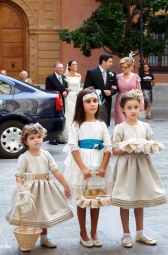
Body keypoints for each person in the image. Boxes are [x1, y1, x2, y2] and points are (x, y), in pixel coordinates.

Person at [111, 89, 167, 248]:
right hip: (126, 166)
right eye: (129, 107)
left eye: (136, 107)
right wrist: (128, 147)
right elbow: (115, 150)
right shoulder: (120, 128)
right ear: (122, 109)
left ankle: (140, 232)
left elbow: (151, 144)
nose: (133, 110)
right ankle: (126, 234)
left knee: (139, 199)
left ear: (140, 107)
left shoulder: (145, 127)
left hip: (142, 165)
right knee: (125, 199)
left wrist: (147, 147)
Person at [6, 123, 73, 251]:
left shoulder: (46, 154)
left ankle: (44, 238)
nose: (36, 140)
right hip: (30, 190)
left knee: (43, 212)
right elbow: (19, 175)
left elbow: (55, 170)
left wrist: (65, 184)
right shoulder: (24, 157)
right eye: (32, 138)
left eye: (38, 136)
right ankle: (26, 239)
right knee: (28, 213)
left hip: (45, 189)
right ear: (25, 141)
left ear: (43, 137)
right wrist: (22, 191)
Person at [64, 87, 113, 248]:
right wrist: (83, 168)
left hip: (98, 165)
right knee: (82, 199)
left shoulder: (101, 124)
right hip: (82, 165)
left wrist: (104, 167)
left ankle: (94, 231)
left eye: (94, 101)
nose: (92, 104)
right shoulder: (77, 125)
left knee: (96, 198)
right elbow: (73, 147)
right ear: (81, 104)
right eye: (88, 101)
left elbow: (108, 147)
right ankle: (83, 232)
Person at [84, 53, 117, 127]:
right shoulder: (92, 72)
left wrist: (111, 92)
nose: (111, 64)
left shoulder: (112, 73)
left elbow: (115, 87)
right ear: (104, 62)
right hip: (95, 102)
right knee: (95, 122)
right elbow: (86, 88)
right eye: (110, 61)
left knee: (105, 123)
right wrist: (95, 93)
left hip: (107, 101)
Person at [114, 57, 144, 125]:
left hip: (132, 102)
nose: (123, 69)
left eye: (125, 67)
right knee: (122, 122)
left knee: (131, 121)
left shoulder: (135, 77)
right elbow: (114, 87)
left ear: (130, 67)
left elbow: (139, 90)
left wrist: (142, 102)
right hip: (121, 102)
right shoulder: (118, 77)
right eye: (122, 67)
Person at [45, 62, 68, 145]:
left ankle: (58, 137)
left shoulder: (64, 77)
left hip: (62, 102)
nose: (61, 69)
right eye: (59, 68)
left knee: (59, 119)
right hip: (53, 103)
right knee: (54, 120)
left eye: (62, 68)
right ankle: (52, 138)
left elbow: (65, 88)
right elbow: (48, 91)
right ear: (55, 69)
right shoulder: (50, 78)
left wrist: (65, 92)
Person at [61, 60, 81, 142]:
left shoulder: (79, 75)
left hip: (76, 96)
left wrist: (80, 91)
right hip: (68, 97)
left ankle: (76, 134)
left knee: (75, 115)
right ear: (69, 66)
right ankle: (67, 135)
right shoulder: (65, 76)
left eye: (76, 64)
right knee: (69, 115)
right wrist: (66, 89)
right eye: (73, 64)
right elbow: (63, 86)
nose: (76, 66)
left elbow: (79, 86)